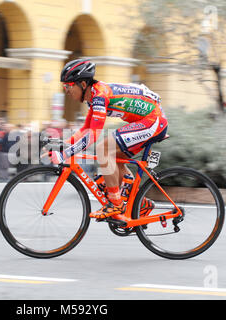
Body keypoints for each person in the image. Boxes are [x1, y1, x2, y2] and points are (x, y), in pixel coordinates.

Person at [46, 59, 168, 219]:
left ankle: (116, 204)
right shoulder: (93, 96)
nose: (66, 91)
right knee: (113, 157)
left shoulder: (99, 96)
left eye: (68, 86)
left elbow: (93, 135)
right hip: (148, 121)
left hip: (153, 121)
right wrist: (64, 144)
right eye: (64, 87)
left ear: (82, 84)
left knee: (103, 149)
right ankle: (141, 203)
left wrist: (65, 155)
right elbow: (85, 129)